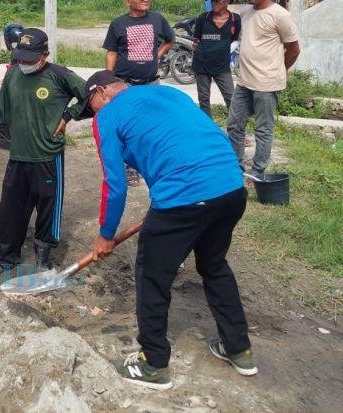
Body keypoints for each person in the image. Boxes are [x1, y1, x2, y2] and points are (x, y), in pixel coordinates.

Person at [84, 69, 256, 391]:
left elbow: (115, 184)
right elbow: (201, 135)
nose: (93, 112)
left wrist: (106, 234)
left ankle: (153, 362)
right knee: (214, 265)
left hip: (183, 197)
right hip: (231, 187)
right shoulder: (170, 94)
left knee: (152, 273)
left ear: (102, 94)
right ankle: (239, 349)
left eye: (90, 105)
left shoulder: (106, 116)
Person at [0, 28, 87, 272]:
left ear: (45, 54)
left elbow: (92, 95)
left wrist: (69, 115)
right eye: (19, 56)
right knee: (11, 210)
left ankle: (43, 259)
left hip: (47, 157)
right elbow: (1, 112)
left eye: (29, 58)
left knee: (47, 210)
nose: (23, 62)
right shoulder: (13, 75)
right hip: (18, 155)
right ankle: (5, 259)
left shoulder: (60, 75)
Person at [226, 0, 300, 180]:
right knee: (234, 125)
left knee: (263, 130)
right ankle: (235, 167)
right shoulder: (246, 13)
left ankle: (257, 171)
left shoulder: (280, 15)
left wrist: (279, 70)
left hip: (266, 84)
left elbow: (294, 49)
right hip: (244, 82)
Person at [102, 0, 174, 185]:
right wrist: (109, 78)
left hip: (151, 84)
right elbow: (112, 52)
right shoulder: (118, 24)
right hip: (126, 84)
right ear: (128, 1)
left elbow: (170, 40)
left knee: (155, 125)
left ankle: (154, 166)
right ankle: (131, 169)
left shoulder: (157, 19)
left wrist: (157, 55)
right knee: (129, 128)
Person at [191, 0, 241, 117]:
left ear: (226, 1)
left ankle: (235, 129)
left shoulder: (235, 19)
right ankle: (207, 128)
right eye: (211, 1)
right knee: (204, 99)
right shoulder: (203, 18)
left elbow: (235, 39)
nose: (213, 4)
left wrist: (226, 52)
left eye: (216, 1)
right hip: (202, 65)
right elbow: (196, 40)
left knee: (231, 98)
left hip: (222, 66)